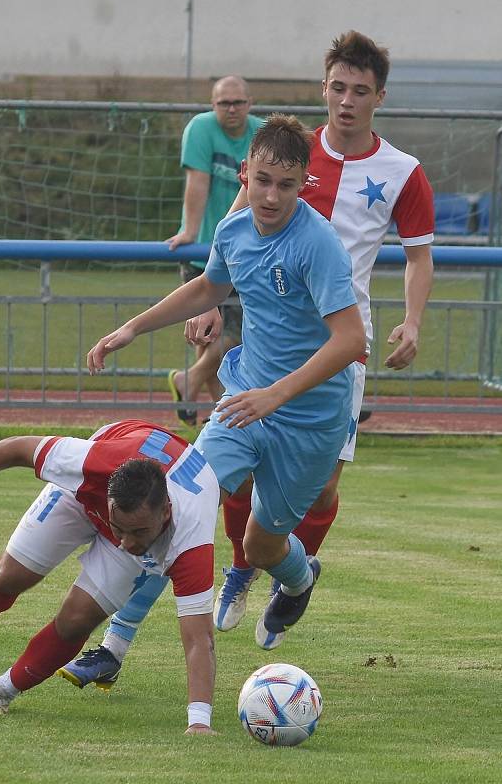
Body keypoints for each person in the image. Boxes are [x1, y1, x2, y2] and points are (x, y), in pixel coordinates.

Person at [74, 114, 366, 689]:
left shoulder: (317, 243)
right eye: (261, 180)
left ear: (304, 183)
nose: (271, 195)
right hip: (241, 403)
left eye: (285, 184)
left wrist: (275, 396)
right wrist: (134, 327)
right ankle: (113, 646)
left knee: (262, 544)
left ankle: (300, 577)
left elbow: (353, 341)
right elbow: (210, 286)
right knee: (179, 506)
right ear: (245, 175)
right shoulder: (234, 231)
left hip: (309, 422)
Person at [190, 30, 435, 649]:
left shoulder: (403, 172)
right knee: (236, 461)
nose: (346, 100)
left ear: (379, 96)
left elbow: (417, 257)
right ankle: (243, 568)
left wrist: (413, 319)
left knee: (323, 484)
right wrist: (216, 302)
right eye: (337, 87)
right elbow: (235, 229)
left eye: (360, 90)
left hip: (339, 345)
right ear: (323, 88)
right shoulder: (288, 156)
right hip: (271, 333)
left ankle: (287, 575)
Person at [0, 419, 220, 734]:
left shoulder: (190, 537)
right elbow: (17, 448)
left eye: (138, 532)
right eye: (119, 529)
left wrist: (199, 722)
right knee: (11, 575)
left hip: (154, 506)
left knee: (77, 620)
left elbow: (198, 639)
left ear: (165, 512)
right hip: (93, 490)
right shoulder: (91, 463)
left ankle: (3, 690)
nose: (126, 543)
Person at [166, 75, 264, 427]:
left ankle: (189, 382)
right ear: (213, 105)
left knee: (237, 333)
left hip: (248, 251)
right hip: (205, 249)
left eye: (238, 102)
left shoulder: (262, 132)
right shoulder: (201, 129)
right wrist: (190, 232)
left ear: (250, 103)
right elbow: (198, 181)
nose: (232, 109)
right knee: (206, 334)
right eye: (224, 103)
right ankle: (223, 412)